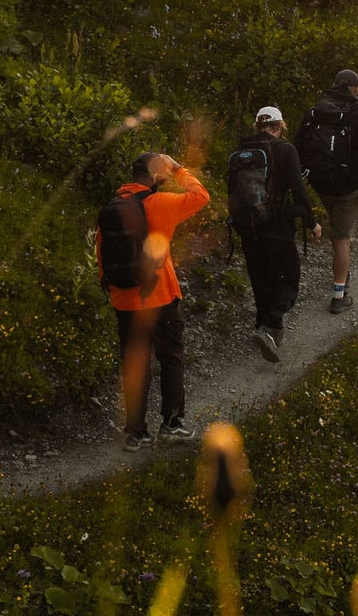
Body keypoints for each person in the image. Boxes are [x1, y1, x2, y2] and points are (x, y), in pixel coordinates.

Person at [100, 151, 209, 451]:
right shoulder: (160, 204)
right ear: (154, 177)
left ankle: (135, 432)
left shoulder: (113, 207)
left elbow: (101, 252)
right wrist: (177, 168)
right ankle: (171, 424)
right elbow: (201, 196)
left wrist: (113, 289)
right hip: (160, 296)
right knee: (171, 357)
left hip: (124, 299)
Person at [227, 105, 320, 362]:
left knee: (260, 278)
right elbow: (298, 190)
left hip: (247, 226)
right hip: (277, 227)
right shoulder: (285, 149)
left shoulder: (240, 151)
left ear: (257, 125)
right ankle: (268, 326)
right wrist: (312, 222)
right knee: (289, 279)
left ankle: (265, 327)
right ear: (280, 126)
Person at [295, 69, 358, 313]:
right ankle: (339, 297)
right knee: (342, 238)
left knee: (336, 229)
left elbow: (297, 145)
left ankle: (342, 275)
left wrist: (306, 173)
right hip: (347, 186)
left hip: (320, 183)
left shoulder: (314, 112)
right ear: (355, 88)